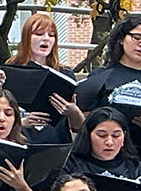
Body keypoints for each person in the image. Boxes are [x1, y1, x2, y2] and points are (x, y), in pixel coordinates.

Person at [73, 14, 141, 173]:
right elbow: (82, 123)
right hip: (103, 160)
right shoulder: (101, 76)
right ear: (122, 38)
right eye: (137, 37)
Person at [6, 11, 84, 145]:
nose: (46, 38)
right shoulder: (11, 70)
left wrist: (73, 111)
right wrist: (21, 123)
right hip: (22, 141)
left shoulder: (65, 74)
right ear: (26, 38)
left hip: (57, 143)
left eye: (51, 35)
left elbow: (78, 128)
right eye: (39, 34)